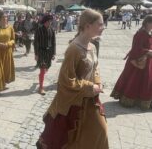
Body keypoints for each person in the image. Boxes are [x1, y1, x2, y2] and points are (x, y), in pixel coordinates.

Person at [36, 9, 108, 149]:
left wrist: (98, 82)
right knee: (69, 139)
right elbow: (66, 80)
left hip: (91, 99)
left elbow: (96, 66)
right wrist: (89, 87)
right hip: (72, 103)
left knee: (101, 132)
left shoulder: (92, 47)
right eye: (99, 24)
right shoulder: (74, 49)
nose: (103, 27)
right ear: (87, 26)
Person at [111, 15, 152, 110]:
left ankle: (140, 100)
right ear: (147, 23)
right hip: (138, 61)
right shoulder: (140, 34)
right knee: (134, 81)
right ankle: (130, 99)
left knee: (145, 81)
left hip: (147, 61)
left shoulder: (147, 33)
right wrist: (148, 51)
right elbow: (136, 49)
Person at [34, 14, 56, 95]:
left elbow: (53, 42)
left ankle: (41, 77)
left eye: (50, 21)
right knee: (43, 70)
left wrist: (53, 53)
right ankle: (41, 87)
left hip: (49, 52)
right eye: (48, 21)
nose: (50, 23)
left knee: (46, 68)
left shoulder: (52, 30)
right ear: (45, 21)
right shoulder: (39, 30)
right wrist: (36, 54)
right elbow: (36, 43)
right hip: (41, 52)